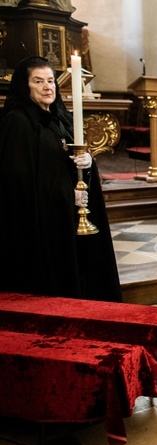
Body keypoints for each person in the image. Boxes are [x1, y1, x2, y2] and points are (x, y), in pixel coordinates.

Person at [0, 56, 121, 302]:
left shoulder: (61, 119)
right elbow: (18, 183)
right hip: (42, 223)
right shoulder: (17, 123)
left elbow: (69, 162)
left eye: (50, 81)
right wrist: (66, 194)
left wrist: (87, 165)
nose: (47, 87)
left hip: (68, 215)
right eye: (38, 81)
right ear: (25, 86)